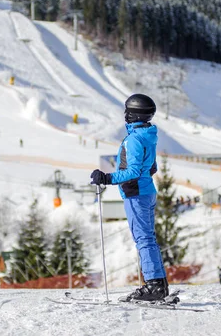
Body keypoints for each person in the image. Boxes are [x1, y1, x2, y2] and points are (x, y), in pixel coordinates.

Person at [90, 93, 166, 302]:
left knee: (143, 239)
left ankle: (153, 286)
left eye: (127, 111)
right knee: (148, 238)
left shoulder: (133, 139)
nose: (125, 115)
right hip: (146, 191)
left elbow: (133, 171)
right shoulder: (148, 135)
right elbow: (152, 167)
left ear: (132, 114)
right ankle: (159, 283)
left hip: (136, 194)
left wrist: (106, 177)